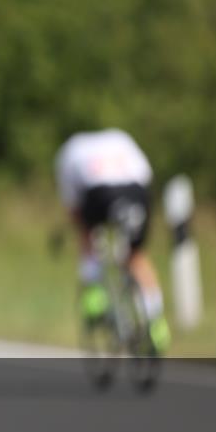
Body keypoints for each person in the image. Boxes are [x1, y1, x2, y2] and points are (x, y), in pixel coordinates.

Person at [55, 128, 171, 353]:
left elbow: (72, 205)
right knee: (136, 256)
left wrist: (81, 227)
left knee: (87, 235)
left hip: (99, 193)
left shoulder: (69, 151)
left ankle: (95, 296)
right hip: (136, 191)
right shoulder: (120, 137)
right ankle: (156, 322)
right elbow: (146, 176)